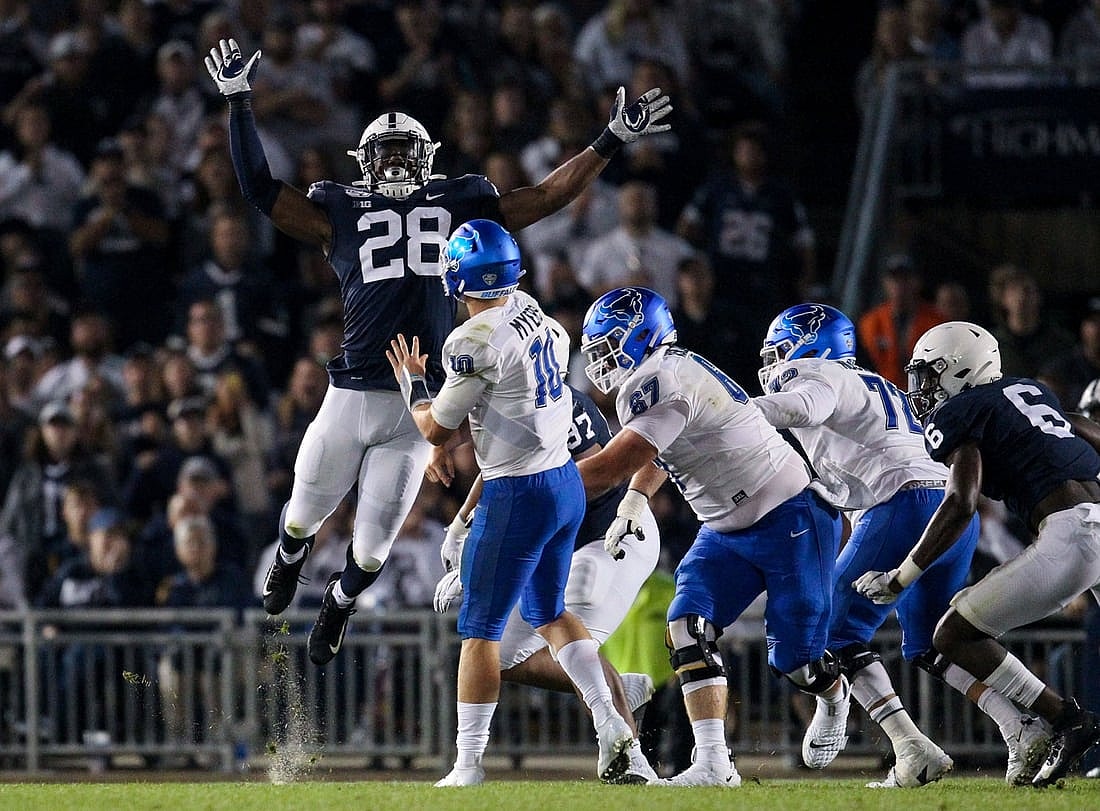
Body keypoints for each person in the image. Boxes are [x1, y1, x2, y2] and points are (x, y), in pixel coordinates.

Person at [204, 37, 671, 653]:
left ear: (426, 157)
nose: (397, 164)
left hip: (416, 403)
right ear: (366, 161)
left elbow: (544, 198)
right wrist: (239, 102)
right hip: (351, 392)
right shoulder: (338, 209)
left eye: (406, 153)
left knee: (371, 549)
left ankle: (341, 600)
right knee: (301, 513)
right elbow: (261, 189)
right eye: (386, 154)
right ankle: (291, 557)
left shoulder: (464, 203)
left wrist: (608, 138)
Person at [386, 219, 638, 787]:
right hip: (564, 484)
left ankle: (468, 764)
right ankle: (609, 722)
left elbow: (433, 427)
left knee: (480, 631)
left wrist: (412, 383)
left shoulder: (470, 342)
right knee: (550, 614)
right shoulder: (533, 311)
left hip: (517, 492)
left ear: (457, 275)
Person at [756, 303, 1042, 786]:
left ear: (811, 347)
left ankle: (911, 748)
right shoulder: (877, 385)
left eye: (780, 352)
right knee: (937, 642)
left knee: (829, 632)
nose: (773, 366)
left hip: (903, 504)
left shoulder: (818, 373)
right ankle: (1021, 727)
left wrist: (731, 409)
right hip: (947, 509)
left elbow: (805, 406)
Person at [573, 286, 845, 787]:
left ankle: (832, 693)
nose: (599, 358)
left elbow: (615, 462)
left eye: (609, 343)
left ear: (640, 337)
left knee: (796, 663)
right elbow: (658, 448)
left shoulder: (656, 378)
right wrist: (636, 499)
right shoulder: (663, 371)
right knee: (686, 627)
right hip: (723, 527)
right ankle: (715, 762)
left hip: (790, 516)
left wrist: (534, 484)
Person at [855, 320, 1100, 787]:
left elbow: (961, 503)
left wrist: (900, 577)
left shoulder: (963, 410)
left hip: (1073, 535)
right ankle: (1062, 723)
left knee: (950, 634)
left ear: (960, 370)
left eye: (929, 375)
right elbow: (1078, 427)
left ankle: (1064, 718)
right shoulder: (1028, 390)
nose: (922, 388)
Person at [429, 381, 662, 783]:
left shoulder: (555, 404)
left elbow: (594, 477)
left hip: (608, 539)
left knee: (559, 622)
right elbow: (502, 466)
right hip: (560, 536)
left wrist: (485, 558)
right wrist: (463, 519)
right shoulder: (509, 397)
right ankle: (614, 686)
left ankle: (632, 762)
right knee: (497, 655)